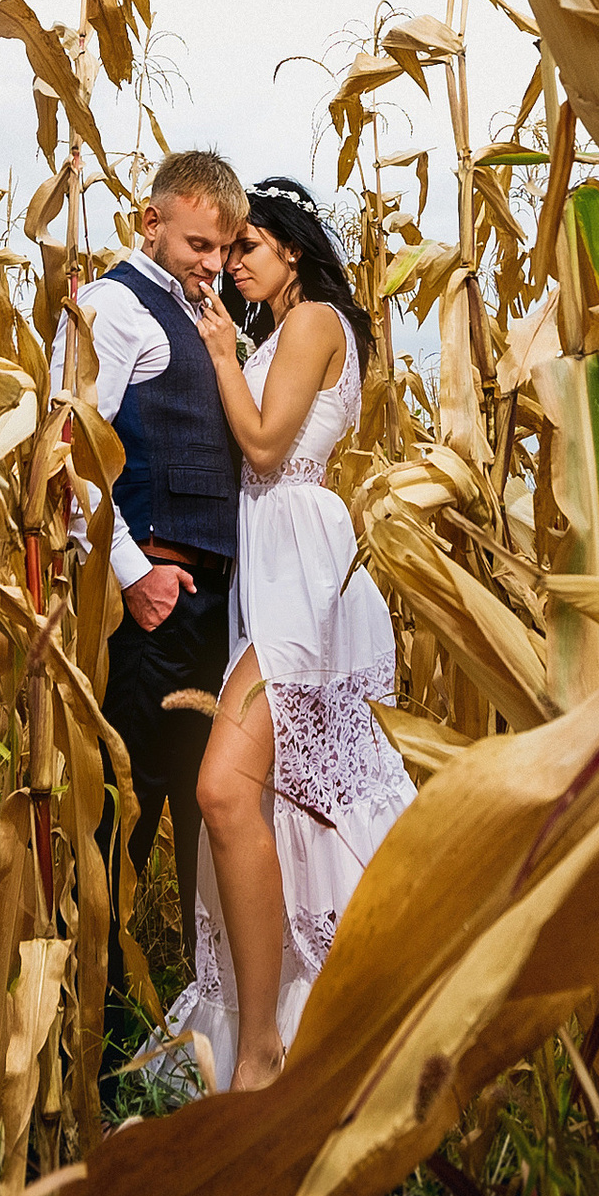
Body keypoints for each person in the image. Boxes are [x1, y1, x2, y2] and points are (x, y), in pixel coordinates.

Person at [164, 175, 416, 1095]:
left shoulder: (311, 324)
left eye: (248, 250)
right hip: (266, 568)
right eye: (227, 253)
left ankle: (266, 1046)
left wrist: (226, 353)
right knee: (278, 801)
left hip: (302, 570)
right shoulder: (280, 331)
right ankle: (297, 1020)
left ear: (293, 251)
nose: (234, 265)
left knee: (225, 788)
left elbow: (268, 448)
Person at [61, 149, 250, 1015]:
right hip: (151, 606)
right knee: (123, 816)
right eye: (201, 245)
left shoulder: (200, 316)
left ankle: (176, 1005)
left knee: (195, 816)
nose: (215, 265)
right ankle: (82, 1021)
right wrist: (135, 577)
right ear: (151, 222)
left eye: (225, 250)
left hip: (208, 610)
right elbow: (63, 459)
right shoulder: (113, 309)